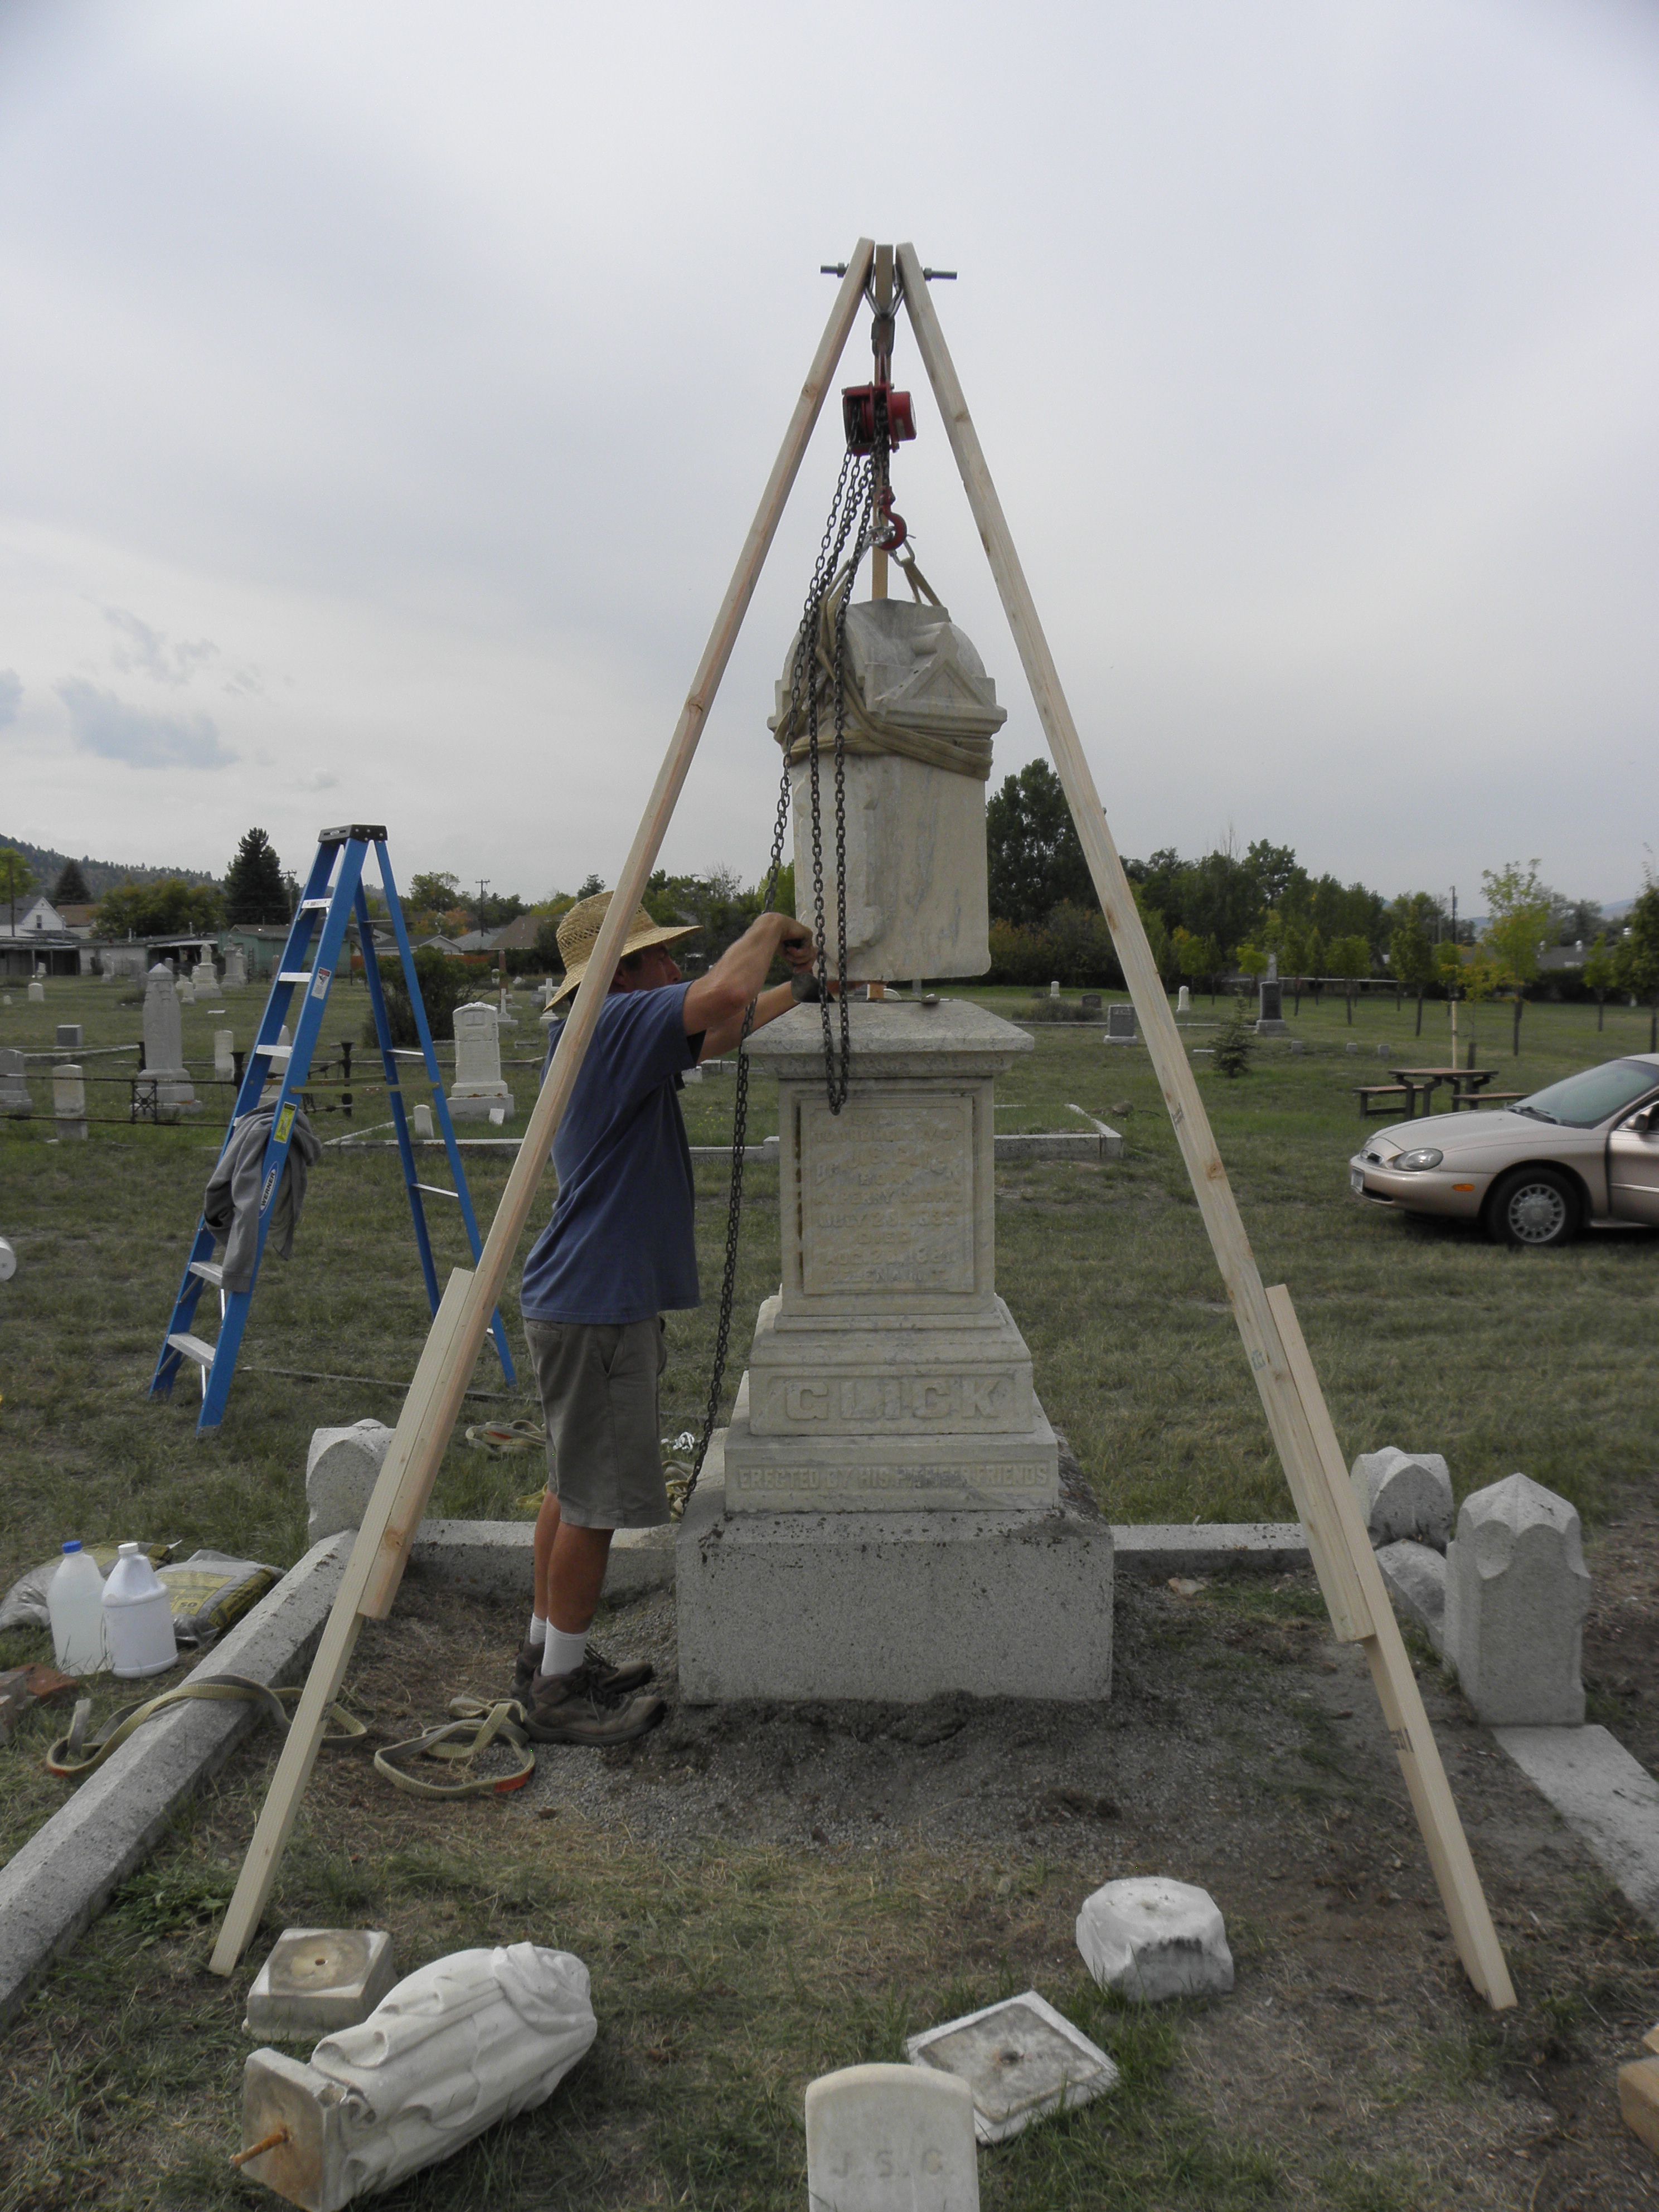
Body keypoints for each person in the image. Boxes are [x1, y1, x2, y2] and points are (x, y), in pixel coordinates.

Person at [513, 886, 815, 1745]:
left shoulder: (598, 1036)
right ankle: (558, 1697)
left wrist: (806, 994)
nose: (675, 966)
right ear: (619, 974)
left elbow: (720, 1030)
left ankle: (545, 1655)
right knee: (595, 1506)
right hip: (598, 1304)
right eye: (658, 956)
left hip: (585, 1298)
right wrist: (770, 927)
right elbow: (719, 997)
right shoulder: (609, 1026)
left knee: (569, 1488)